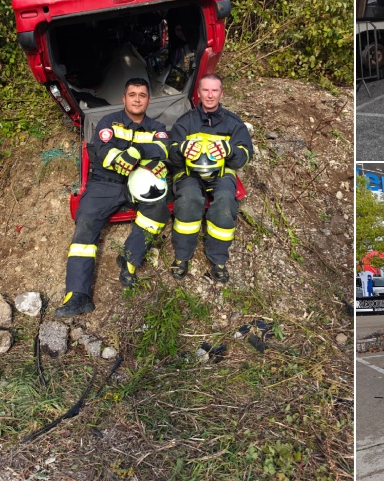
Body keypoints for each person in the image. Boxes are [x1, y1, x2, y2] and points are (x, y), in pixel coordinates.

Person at [55, 78, 171, 318]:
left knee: (158, 208)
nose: (137, 99)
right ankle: (78, 295)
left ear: (148, 100)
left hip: (138, 182)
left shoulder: (156, 126)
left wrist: (137, 152)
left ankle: (129, 259)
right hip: (104, 184)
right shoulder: (108, 122)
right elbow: (106, 153)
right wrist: (135, 156)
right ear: (124, 99)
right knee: (85, 223)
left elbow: (163, 149)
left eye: (142, 95)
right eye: (132, 94)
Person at [166, 74, 253, 282]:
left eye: (215, 91)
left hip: (221, 174)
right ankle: (182, 257)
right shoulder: (185, 122)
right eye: (205, 90)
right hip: (189, 174)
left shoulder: (233, 123)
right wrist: (182, 150)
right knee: (188, 200)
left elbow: (245, 156)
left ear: (222, 93)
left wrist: (229, 151)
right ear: (198, 93)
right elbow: (170, 153)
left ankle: (218, 259)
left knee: (225, 203)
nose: (210, 95)